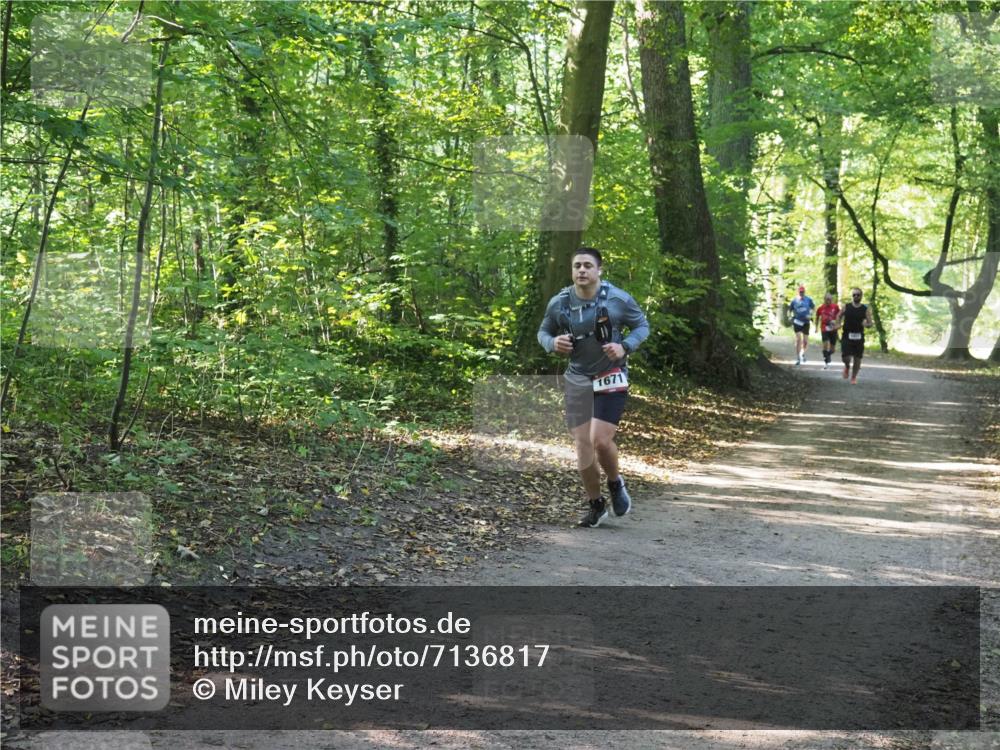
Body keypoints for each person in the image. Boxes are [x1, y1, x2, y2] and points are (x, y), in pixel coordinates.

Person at [538, 247, 650, 528]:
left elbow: (642, 326)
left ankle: (615, 483)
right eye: (577, 266)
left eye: (588, 265)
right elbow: (543, 331)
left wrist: (624, 346)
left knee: (600, 439)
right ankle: (596, 505)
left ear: (599, 270)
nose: (582, 271)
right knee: (583, 444)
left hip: (611, 373)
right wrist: (553, 343)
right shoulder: (559, 302)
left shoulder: (618, 299)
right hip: (577, 377)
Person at [834, 287, 873, 384]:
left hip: (859, 336)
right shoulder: (846, 307)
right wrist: (838, 324)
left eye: (858, 295)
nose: (856, 296)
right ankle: (847, 366)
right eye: (854, 295)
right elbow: (839, 315)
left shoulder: (865, 309)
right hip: (847, 335)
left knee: (857, 358)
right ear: (852, 296)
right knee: (846, 357)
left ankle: (853, 377)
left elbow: (870, 323)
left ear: (861, 296)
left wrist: (866, 325)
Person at [788, 285, 815, 365]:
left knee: (805, 341)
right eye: (800, 292)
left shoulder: (808, 300)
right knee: (798, 339)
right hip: (797, 321)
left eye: (803, 292)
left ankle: (802, 353)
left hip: (806, 322)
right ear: (798, 292)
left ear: (804, 292)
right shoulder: (794, 301)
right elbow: (789, 310)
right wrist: (789, 317)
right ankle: (798, 358)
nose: (801, 293)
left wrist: (811, 314)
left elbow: (813, 308)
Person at [815, 292, 841, 370]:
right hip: (824, 328)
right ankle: (826, 361)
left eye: (830, 299)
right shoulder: (820, 308)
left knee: (833, 350)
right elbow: (817, 318)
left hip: (833, 329)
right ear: (824, 300)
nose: (828, 301)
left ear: (832, 300)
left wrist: (838, 323)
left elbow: (839, 315)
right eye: (827, 300)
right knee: (825, 344)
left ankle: (828, 355)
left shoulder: (835, 307)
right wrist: (816, 327)